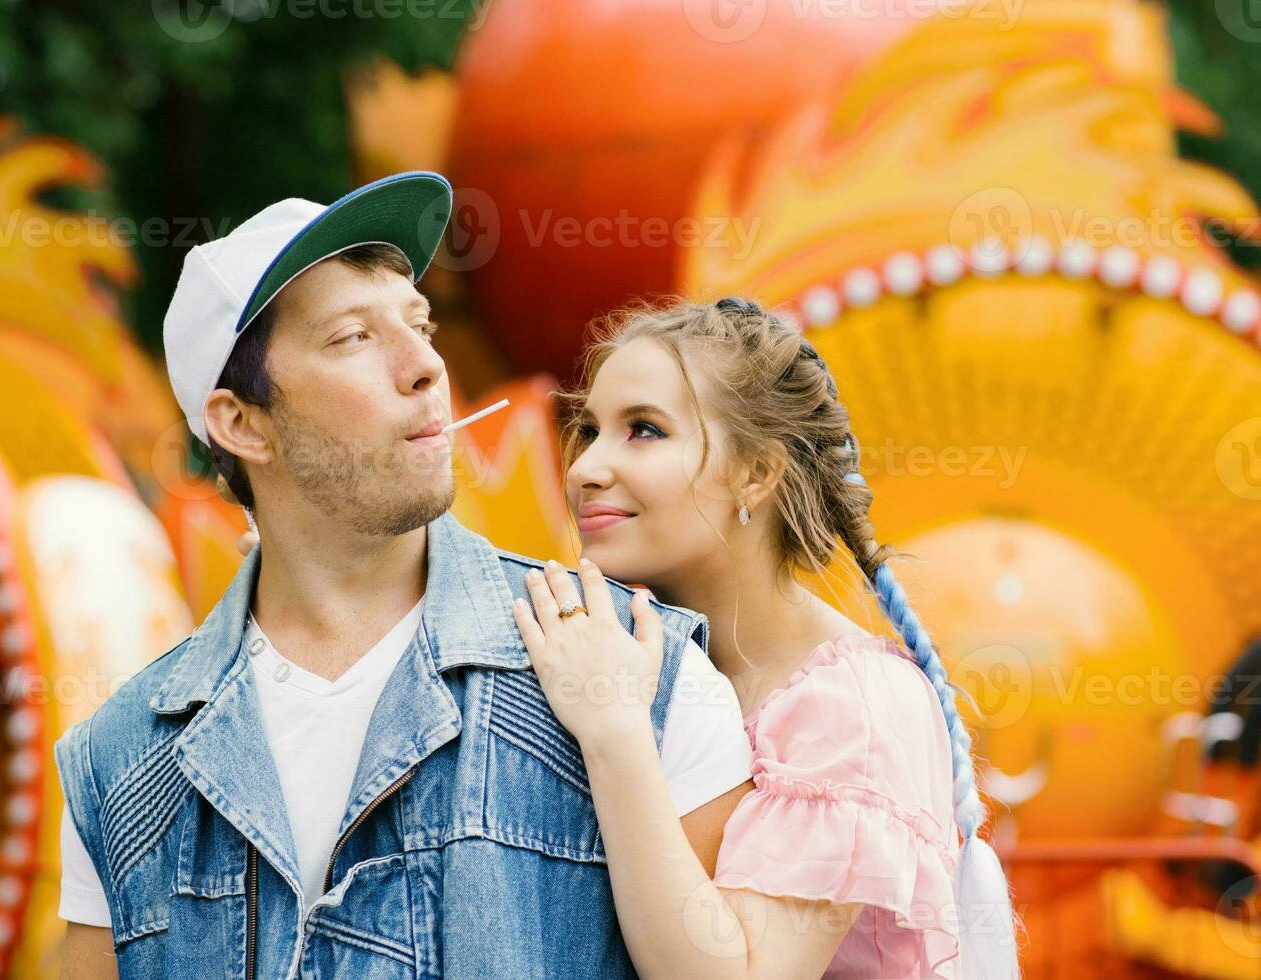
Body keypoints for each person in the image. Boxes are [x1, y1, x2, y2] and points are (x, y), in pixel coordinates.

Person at [53, 173, 754, 979]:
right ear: (241, 422)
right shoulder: (117, 764)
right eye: (354, 337)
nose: (425, 365)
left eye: (419, 323)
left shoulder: (643, 668)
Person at [509, 297, 1022, 978]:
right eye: (589, 428)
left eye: (643, 430)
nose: (585, 468)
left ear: (756, 472)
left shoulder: (854, 709)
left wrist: (613, 732)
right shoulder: (636, 653)